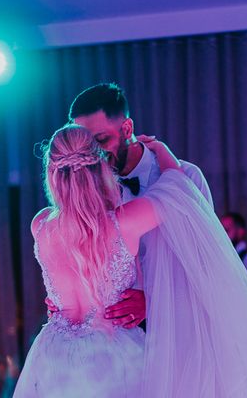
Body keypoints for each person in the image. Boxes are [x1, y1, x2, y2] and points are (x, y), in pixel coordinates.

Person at [14, 124, 247, 397]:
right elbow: (179, 190)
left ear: (52, 174)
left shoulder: (40, 225)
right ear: (98, 166)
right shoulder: (125, 223)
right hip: (113, 354)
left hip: (52, 356)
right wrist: (162, 151)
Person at [46, 83, 213, 328]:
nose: (93, 155)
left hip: (178, 327)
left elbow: (205, 261)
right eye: (84, 146)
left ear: (127, 128)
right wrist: (64, 294)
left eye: (100, 140)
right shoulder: (83, 192)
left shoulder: (186, 177)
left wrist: (153, 302)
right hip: (112, 342)